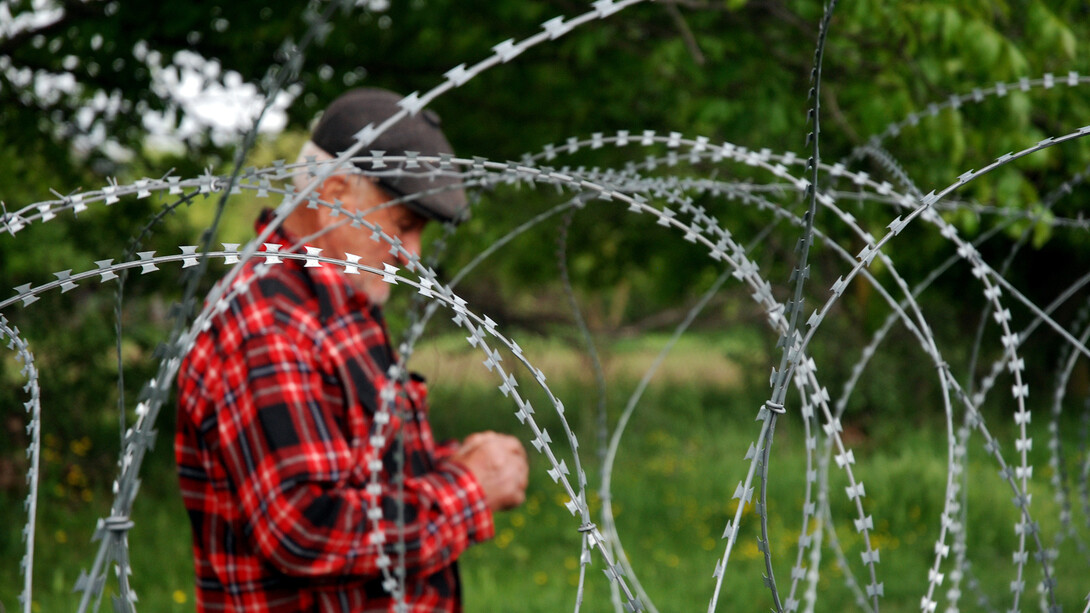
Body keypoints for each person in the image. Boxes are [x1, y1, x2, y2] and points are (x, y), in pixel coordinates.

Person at [175, 88, 529, 612]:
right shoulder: (268, 323)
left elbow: (359, 462)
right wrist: (467, 488)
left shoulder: (337, 299)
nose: (412, 257)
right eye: (404, 227)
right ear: (336, 193)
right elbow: (304, 528)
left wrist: (444, 461)